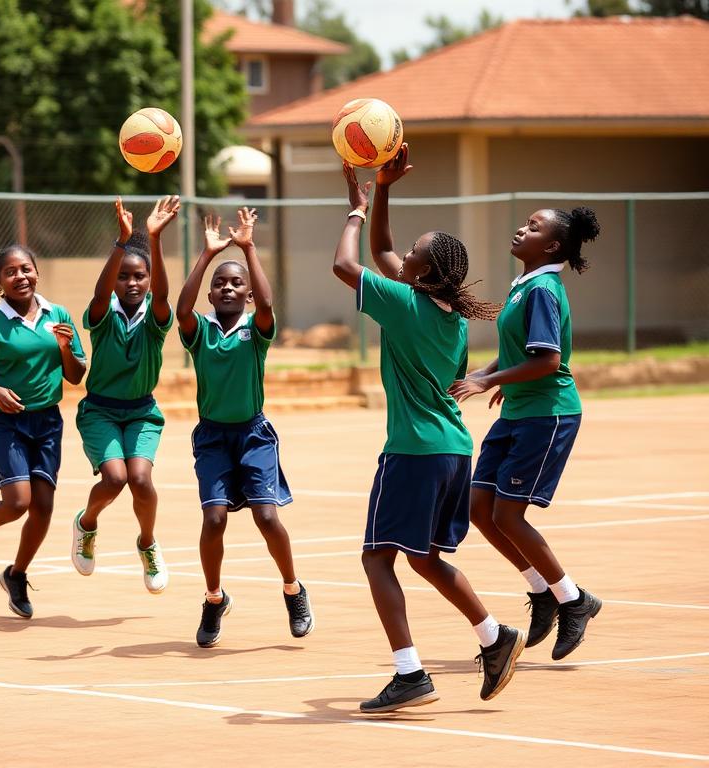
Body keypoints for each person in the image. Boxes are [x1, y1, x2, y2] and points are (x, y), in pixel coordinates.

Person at [335, 149, 523, 714]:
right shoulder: (449, 315)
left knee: (377, 558)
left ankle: (409, 672)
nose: (404, 252)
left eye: (413, 250)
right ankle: (494, 636)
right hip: (453, 451)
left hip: (414, 452)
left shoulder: (402, 304)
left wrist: (355, 212)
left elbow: (347, 264)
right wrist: (383, 189)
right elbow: (383, 253)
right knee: (425, 558)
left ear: (421, 270)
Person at [449, 203, 602, 661]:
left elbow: (548, 361)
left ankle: (574, 600)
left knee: (509, 516)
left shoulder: (542, 290)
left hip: (547, 414)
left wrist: (490, 381)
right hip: (519, 411)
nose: (521, 229)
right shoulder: (525, 285)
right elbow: (522, 350)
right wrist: (486, 374)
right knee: (479, 509)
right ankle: (541, 590)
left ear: (551, 246)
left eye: (533, 227)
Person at [176, 206, 313, 648]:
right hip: (213, 436)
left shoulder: (256, 330)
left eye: (237, 283)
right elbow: (181, 309)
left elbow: (269, 304)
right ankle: (214, 599)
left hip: (254, 435)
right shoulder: (200, 331)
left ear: (248, 295)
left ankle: (293, 589)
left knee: (266, 516)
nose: (228, 287)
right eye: (220, 283)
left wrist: (249, 247)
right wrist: (206, 255)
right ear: (211, 294)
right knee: (213, 519)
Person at [0, 244, 86, 619]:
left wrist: (66, 348)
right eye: (10, 272)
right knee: (17, 502)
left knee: (43, 508)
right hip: (5, 421)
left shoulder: (58, 315)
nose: (20, 276)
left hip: (47, 422)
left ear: (36, 272)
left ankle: (16, 574)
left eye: (26, 268)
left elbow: (75, 375)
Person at [71, 196, 180, 593]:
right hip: (100, 410)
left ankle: (147, 543)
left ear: (149, 280)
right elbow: (100, 296)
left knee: (141, 480)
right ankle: (86, 524)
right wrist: (122, 241)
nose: (132, 283)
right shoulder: (103, 314)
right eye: (123, 277)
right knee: (115, 478)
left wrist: (154, 238)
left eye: (139, 276)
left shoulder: (156, 317)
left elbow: (164, 297)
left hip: (142, 412)